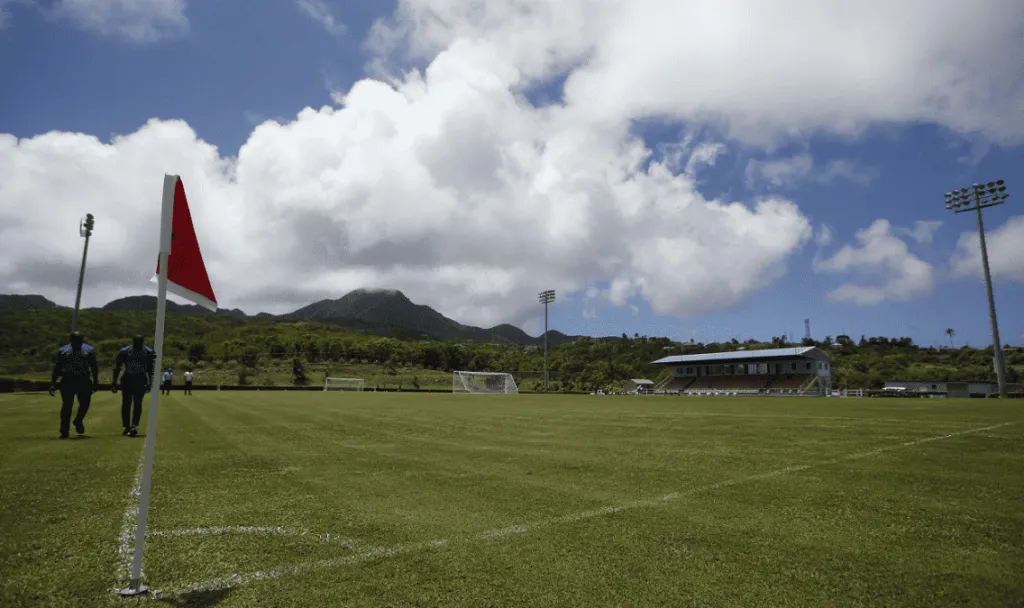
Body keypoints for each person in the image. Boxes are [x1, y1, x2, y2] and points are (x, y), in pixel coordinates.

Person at [49, 331, 99, 439]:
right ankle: (64, 431)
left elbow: (94, 366)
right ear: (71, 341)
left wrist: (95, 381)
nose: (78, 343)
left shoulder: (89, 350)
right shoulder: (63, 351)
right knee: (67, 406)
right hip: (68, 380)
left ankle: (78, 420)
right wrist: (53, 383)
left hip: (84, 380)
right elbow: (57, 368)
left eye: (79, 341)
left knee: (85, 404)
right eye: (76, 341)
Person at [112, 335, 155, 437]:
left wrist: (150, 382)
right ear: (133, 341)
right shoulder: (125, 351)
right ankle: (126, 425)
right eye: (136, 342)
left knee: (138, 403)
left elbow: (151, 369)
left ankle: (134, 425)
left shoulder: (148, 352)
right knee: (126, 403)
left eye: (140, 342)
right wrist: (114, 381)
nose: (138, 344)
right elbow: (117, 366)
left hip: (140, 379)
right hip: (127, 378)